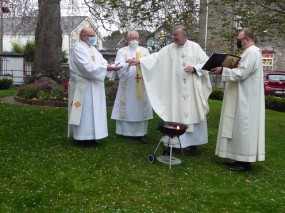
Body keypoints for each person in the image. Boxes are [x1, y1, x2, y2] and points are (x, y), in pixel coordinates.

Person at [128, 25, 212, 156]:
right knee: (175, 113)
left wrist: (195, 69)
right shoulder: (169, 49)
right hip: (175, 90)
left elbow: (207, 62)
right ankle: (172, 143)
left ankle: (193, 145)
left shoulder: (195, 47)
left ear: (185, 35)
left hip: (191, 87)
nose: (174, 37)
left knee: (194, 113)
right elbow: (155, 58)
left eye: (176, 35)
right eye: (173, 35)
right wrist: (139, 61)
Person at [211, 28, 265, 171]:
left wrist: (223, 70)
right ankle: (238, 158)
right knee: (238, 128)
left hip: (246, 97)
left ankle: (244, 162)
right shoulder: (248, 52)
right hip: (241, 94)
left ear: (247, 39)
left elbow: (242, 73)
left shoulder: (252, 52)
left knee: (244, 128)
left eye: (239, 39)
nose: (238, 41)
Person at [68, 27, 123, 146]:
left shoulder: (92, 49)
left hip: (95, 85)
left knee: (95, 111)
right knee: (84, 112)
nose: (93, 38)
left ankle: (93, 136)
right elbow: (85, 67)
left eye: (94, 36)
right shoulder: (78, 49)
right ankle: (82, 137)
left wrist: (110, 65)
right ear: (83, 36)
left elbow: (102, 62)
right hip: (83, 86)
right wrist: (107, 68)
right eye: (91, 36)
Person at [110, 31, 153, 144]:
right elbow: (118, 66)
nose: (134, 40)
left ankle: (140, 133)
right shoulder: (122, 51)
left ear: (139, 40)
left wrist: (139, 62)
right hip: (127, 84)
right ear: (127, 40)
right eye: (131, 38)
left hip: (141, 83)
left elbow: (150, 64)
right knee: (127, 106)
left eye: (136, 38)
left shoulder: (144, 51)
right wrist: (127, 64)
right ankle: (124, 132)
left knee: (139, 108)